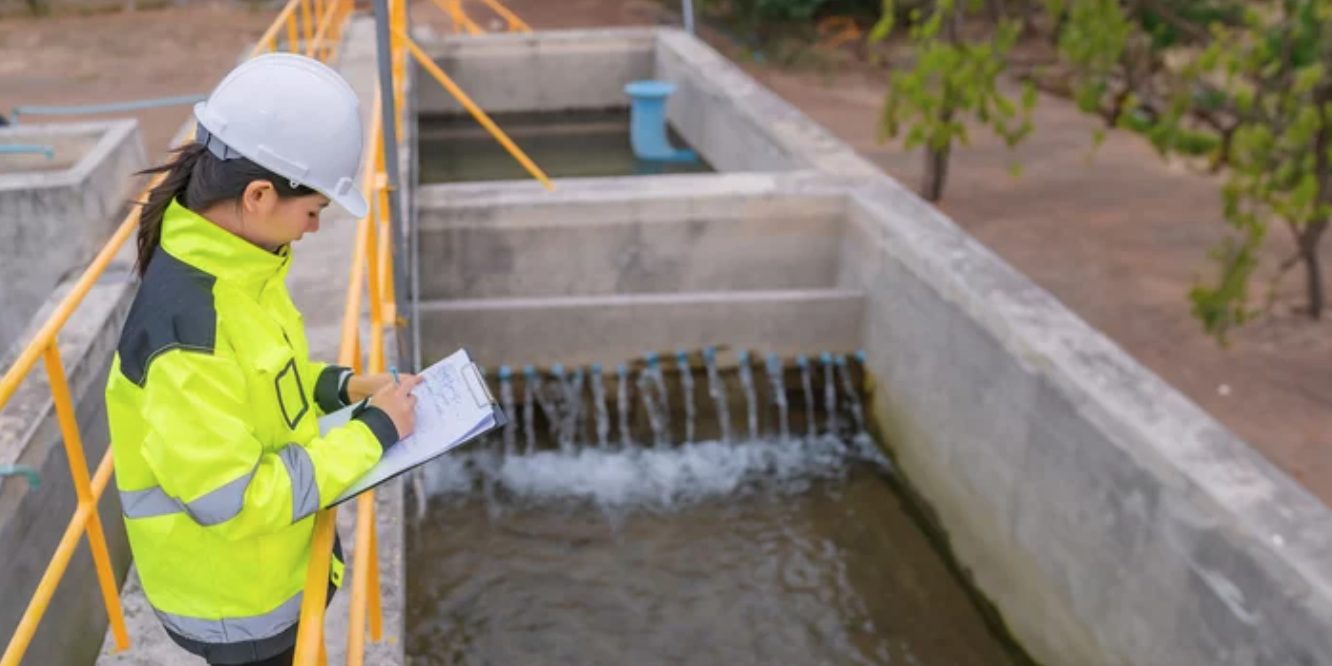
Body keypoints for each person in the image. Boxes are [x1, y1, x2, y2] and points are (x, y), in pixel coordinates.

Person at [104, 53, 421, 666]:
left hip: (263, 572)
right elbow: (239, 498)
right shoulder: (187, 330)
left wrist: (347, 386)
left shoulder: (237, 268)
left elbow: (260, 381)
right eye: (313, 211)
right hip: (236, 607)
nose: (313, 230)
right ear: (257, 194)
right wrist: (374, 433)